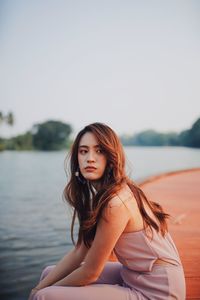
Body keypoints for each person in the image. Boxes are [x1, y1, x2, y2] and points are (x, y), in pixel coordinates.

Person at [28, 122, 186, 300]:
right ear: (77, 158)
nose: (90, 158)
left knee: (44, 297)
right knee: (47, 274)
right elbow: (80, 251)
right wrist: (39, 287)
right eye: (83, 151)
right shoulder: (103, 195)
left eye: (99, 150)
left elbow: (90, 272)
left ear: (111, 156)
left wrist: (41, 293)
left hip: (158, 289)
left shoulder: (115, 203)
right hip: (134, 273)